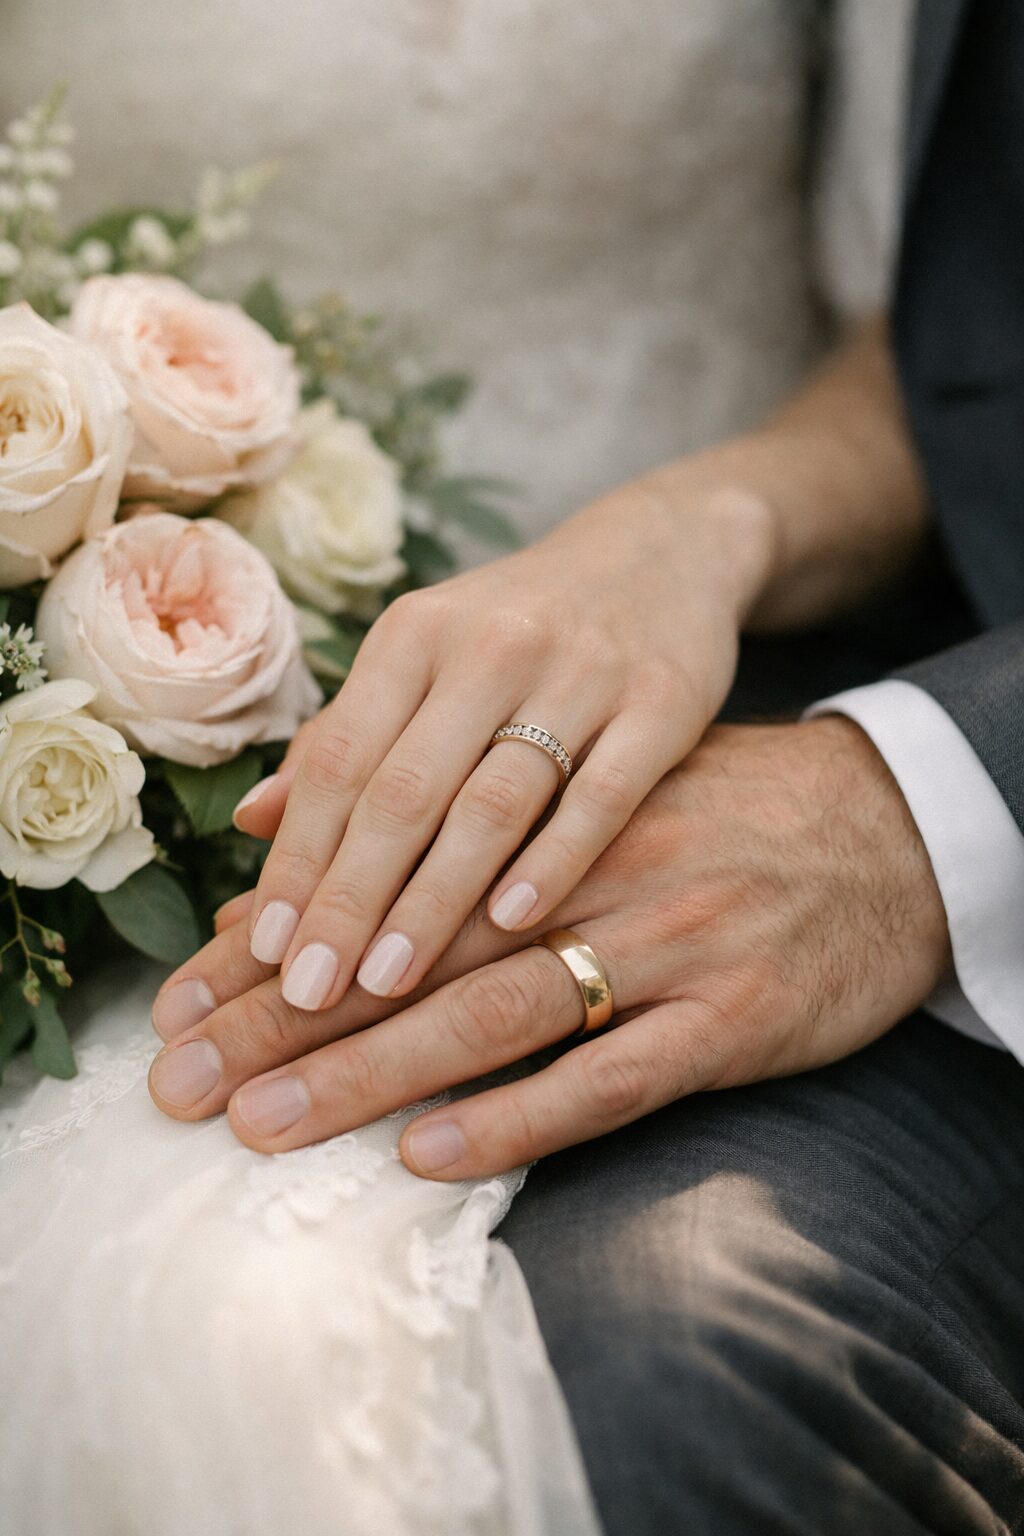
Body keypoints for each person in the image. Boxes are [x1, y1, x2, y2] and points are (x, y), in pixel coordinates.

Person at [2, 2, 1020, 1532]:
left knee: (646, 1347)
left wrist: (705, 529)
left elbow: (957, 317)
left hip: (759, 674)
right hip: (125, 804)